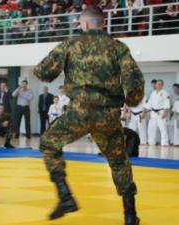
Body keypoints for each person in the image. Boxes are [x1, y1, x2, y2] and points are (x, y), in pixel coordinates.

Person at [33, 6, 144, 225]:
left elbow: (43, 72)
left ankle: (65, 196)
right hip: (108, 115)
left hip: (79, 113)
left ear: (83, 24)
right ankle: (130, 214)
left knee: (48, 143)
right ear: (102, 23)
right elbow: (134, 82)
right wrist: (130, 101)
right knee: (119, 161)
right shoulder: (118, 47)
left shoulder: (70, 45)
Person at [145, 80, 170, 146]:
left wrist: (165, 112)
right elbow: (149, 103)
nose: (158, 85)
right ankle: (151, 142)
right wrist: (147, 111)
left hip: (161, 112)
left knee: (163, 128)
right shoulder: (153, 93)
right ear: (155, 85)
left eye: (160, 84)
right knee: (151, 128)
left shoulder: (165, 93)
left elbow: (167, 104)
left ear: (162, 85)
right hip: (153, 113)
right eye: (157, 84)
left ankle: (165, 143)